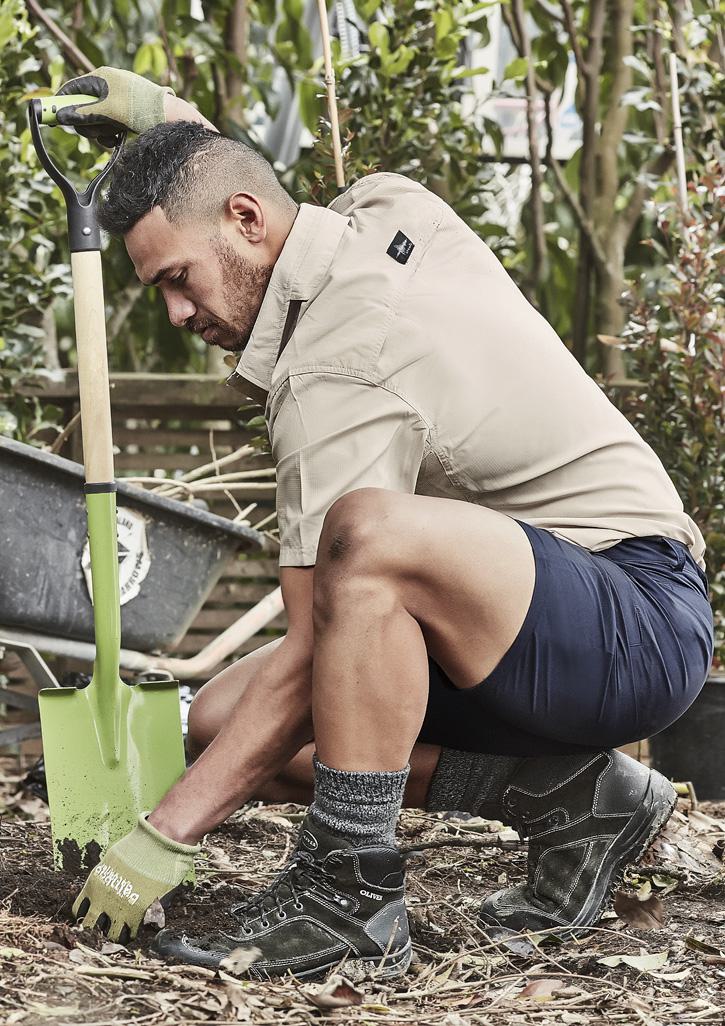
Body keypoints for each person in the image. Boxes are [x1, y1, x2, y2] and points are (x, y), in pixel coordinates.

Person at [58, 69, 714, 979]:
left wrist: (162, 837)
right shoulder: (384, 207)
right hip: (527, 626)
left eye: (177, 279)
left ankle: (348, 892)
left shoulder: (332, 373)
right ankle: (572, 797)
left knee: (367, 540)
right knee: (221, 717)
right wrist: (172, 122)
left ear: (245, 223)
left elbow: (312, 651)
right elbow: (244, 190)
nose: (176, 313)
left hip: (631, 622)